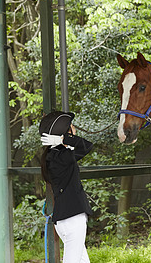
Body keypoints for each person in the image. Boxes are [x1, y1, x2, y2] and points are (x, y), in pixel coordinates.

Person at [39, 111, 94, 263]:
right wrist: (67, 138)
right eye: (71, 127)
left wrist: (64, 139)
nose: (74, 129)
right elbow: (87, 147)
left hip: (66, 220)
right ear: (64, 133)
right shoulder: (59, 156)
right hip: (73, 220)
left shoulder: (54, 155)